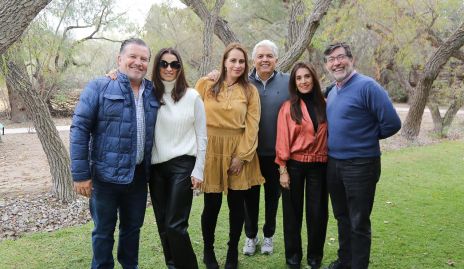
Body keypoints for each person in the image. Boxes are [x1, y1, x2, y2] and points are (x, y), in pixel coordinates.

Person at [70, 38, 159, 269]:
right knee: (103, 232)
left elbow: (181, 89)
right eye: (133, 57)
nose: (138, 63)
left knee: (132, 231)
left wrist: (213, 76)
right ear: (119, 59)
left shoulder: (153, 91)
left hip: (138, 176)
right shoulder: (99, 86)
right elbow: (79, 128)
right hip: (104, 177)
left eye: (143, 59)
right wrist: (81, 175)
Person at [323, 42, 401, 269]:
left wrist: (365, 137)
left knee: (358, 221)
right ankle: (345, 260)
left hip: (361, 165)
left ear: (351, 59)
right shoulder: (334, 90)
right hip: (334, 163)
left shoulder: (368, 86)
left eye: (340, 57)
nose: (336, 63)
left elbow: (392, 124)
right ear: (327, 65)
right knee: (342, 217)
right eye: (331, 60)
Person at [195, 42, 264, 269]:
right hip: (211, 150)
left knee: (237, 206)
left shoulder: (250, 90)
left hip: (239, 149)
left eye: (241, 61)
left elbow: (253, 126)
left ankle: (233, 251)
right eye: (232, 60)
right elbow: (190, 114)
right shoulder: (206, 84)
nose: (237, 65)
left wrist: (241, 156)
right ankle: (208, 251)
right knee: (211, 205)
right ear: (224, 61)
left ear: (246, 65)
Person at [149, 48, 207, 269]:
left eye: (175, 64)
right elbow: (127, 81)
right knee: (163, 225)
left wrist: (199, 169)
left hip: (183, 165)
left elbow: (202, 135)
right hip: (156, 168)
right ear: (157, 67)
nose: (169, 69)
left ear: (180, 68)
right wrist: (114, 72)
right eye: (164, 64)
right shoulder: (149, 94)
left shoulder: (192, 96)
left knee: (175, 225)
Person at [275, 62, 328, 269]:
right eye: (298, 78)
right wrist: (283, 170)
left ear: (313, 79)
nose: (303, 81)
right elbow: (282, 140)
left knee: (318, 214)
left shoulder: (325, 104)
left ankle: (315, 258)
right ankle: (293, 258)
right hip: (294, 166)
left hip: (320, 165)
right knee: (292, 215)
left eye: (307, 76)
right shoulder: (288, 107)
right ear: (294, 83)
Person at [243, 39, 290, 256]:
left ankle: (268, 236)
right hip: (249, 154)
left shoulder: (288, 82)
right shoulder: (242, 81)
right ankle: (250, 237)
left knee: (273, 198)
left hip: (276, 155)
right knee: (249, 199)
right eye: (260, 56)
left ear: (276, 60)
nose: (264, 60)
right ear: (253, 59)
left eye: (269, 56)